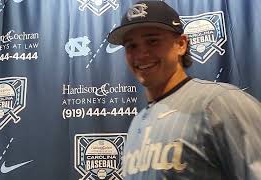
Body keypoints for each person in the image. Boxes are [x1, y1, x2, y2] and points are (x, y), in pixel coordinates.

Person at [107, 1, 261, 179]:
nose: (141, 54)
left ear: (181, 44)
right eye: (131, 46)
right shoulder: (136, 124)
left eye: (152, 41)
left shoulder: (221, 102)